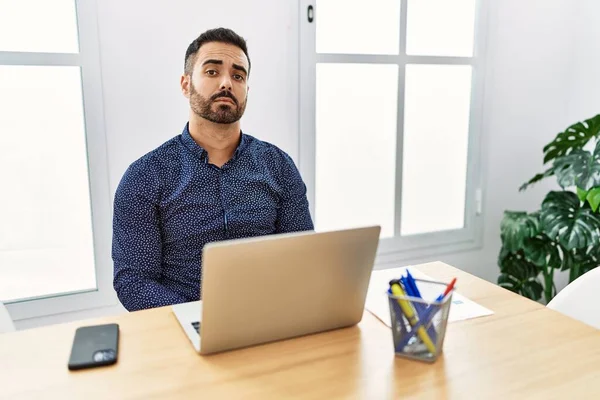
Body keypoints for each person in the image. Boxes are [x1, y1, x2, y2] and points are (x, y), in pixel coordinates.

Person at [112, 28, 314, 311]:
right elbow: (134, 282)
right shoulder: (145, 177)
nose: (226, 83)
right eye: (211, 72)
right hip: (183, 327)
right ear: (185, 85)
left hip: (268, 320)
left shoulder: (278, 167)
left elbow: (301, 259)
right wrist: (203, 317)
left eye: (238, 75)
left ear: (246, 90)